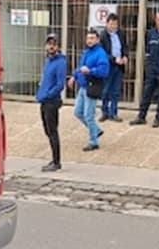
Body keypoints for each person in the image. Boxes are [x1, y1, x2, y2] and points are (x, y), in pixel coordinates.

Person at [131, 11, 159, 128]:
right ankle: (141, 116)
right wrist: (148, 65)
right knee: (146, 93)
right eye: (158, 19)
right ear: (155, 20)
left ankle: (158, 118)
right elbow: (147, 50)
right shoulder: (150, 33)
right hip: (152, 69)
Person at [67, 27, 109, 151]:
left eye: (92, 38)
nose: (89, 40)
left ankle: (93, 141)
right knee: (78, 112)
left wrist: (91, 71)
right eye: (88, 38)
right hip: (83, 87)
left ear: (97, 39)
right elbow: (80, 66)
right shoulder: (86, 52)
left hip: (92, 86)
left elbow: (104, 71)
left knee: (88, 115)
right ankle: (96, 130)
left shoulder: (100, 53)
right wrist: (74, 77)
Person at [35, 32, 67, 172]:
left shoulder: (60, 62)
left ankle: (56, 161)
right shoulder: (48, 61)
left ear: (58, 46)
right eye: (49, 44)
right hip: (44, 100)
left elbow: (60, 84)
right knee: (47, 131)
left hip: (51, 102)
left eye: (53, 44)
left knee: (53, 131)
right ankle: (54, 159)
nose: (51, 46)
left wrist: (48, 94)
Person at [100, 13, 128, 122]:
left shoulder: (120, 34)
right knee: (106, 90)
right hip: (109, 66)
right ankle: (104, 112)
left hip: (119, 66)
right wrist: (113, 59)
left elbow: (125, 46)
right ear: (107, 24)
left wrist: (125, 56)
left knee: (116, 91)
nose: (113, 26)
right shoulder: (103, 36)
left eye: (115, 24)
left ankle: (114, 113)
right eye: (111, 24)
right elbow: (102, 53)